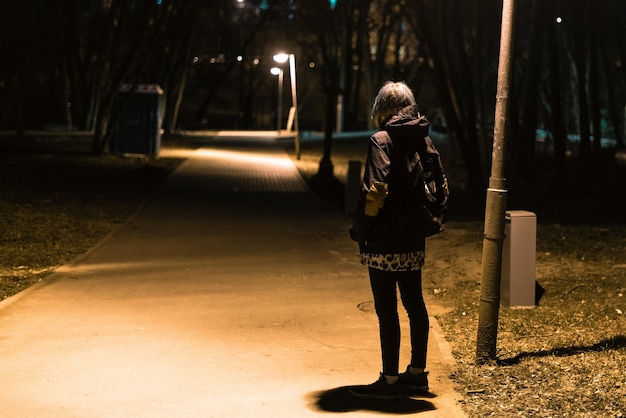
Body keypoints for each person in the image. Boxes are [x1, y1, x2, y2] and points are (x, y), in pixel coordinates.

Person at [349, 81, 449, 400]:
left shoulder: (381, 140)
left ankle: (389, 379)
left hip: (384, 238)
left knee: (387, 309)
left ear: (382, 107)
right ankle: (417, 374)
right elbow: (440, 187)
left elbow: (376, 190)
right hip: (413, 237)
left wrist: (361, 228)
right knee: (415, 304)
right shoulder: (425, 140)